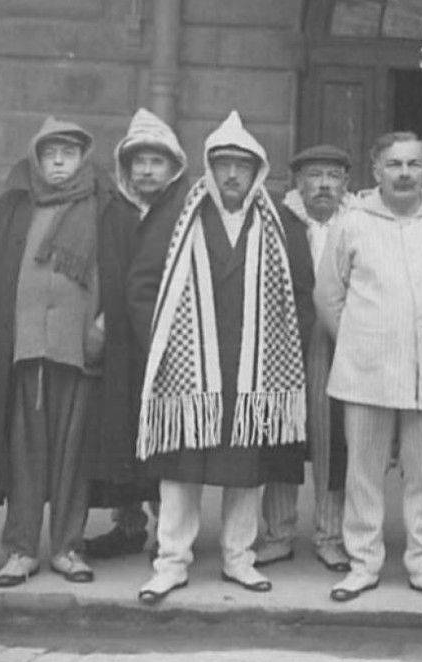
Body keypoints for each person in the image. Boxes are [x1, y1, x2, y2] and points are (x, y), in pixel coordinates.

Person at [128, 111, 312, 604]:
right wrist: (167, 350)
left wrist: (276, 353)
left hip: (251, 372)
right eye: (224, 165)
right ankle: (171, 562)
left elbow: (299, 292)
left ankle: (238, 558)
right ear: (210, 168)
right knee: (180, 473)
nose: (232, 175)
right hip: (188, 373)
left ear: (258, 171)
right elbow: (143, 287)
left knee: (244, 473)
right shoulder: (178, 214)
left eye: (242, 166)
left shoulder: (277, 222)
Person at [0, 117, 138, 587]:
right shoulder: (14, 208)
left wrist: (103, 325)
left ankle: (70, 547)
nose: (58, 162)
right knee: (25, 454)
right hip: (27, 351)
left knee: (74, 456)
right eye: (50, 153)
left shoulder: (106, 210)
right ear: (36, 158)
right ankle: (20, 549)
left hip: (82, 353)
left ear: (83, 159)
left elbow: (125, 278)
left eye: (68, 154)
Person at [316, 131, 422, 605]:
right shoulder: (352, 222)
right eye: (394, 165)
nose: (404, 174)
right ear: (376, 170)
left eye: (413, 165)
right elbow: (328, 294)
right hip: (365, 374)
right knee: (363, 473)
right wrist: (362, 342)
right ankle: (363, 564)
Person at [84, 108, 187, 561]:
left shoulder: (185, 212)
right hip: (122, 342)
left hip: (170, 340)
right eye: (138, 162)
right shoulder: (113, 213)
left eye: (156, 162)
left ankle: (171, 531)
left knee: (166, 437)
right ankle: (129, 525)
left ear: (173, 167)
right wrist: (101, 322)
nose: (146, 170)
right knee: (122, 431)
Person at [253, 143, 355, 574]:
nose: (324, 185)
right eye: (314, 175)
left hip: (341, 340)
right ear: (298, 182)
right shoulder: (276, 220)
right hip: (284, 339)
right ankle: (278, 534)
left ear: (346, 184)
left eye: (333, 176)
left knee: (334, 438)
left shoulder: (359, 222)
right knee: (282, 434)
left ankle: (331, 536)